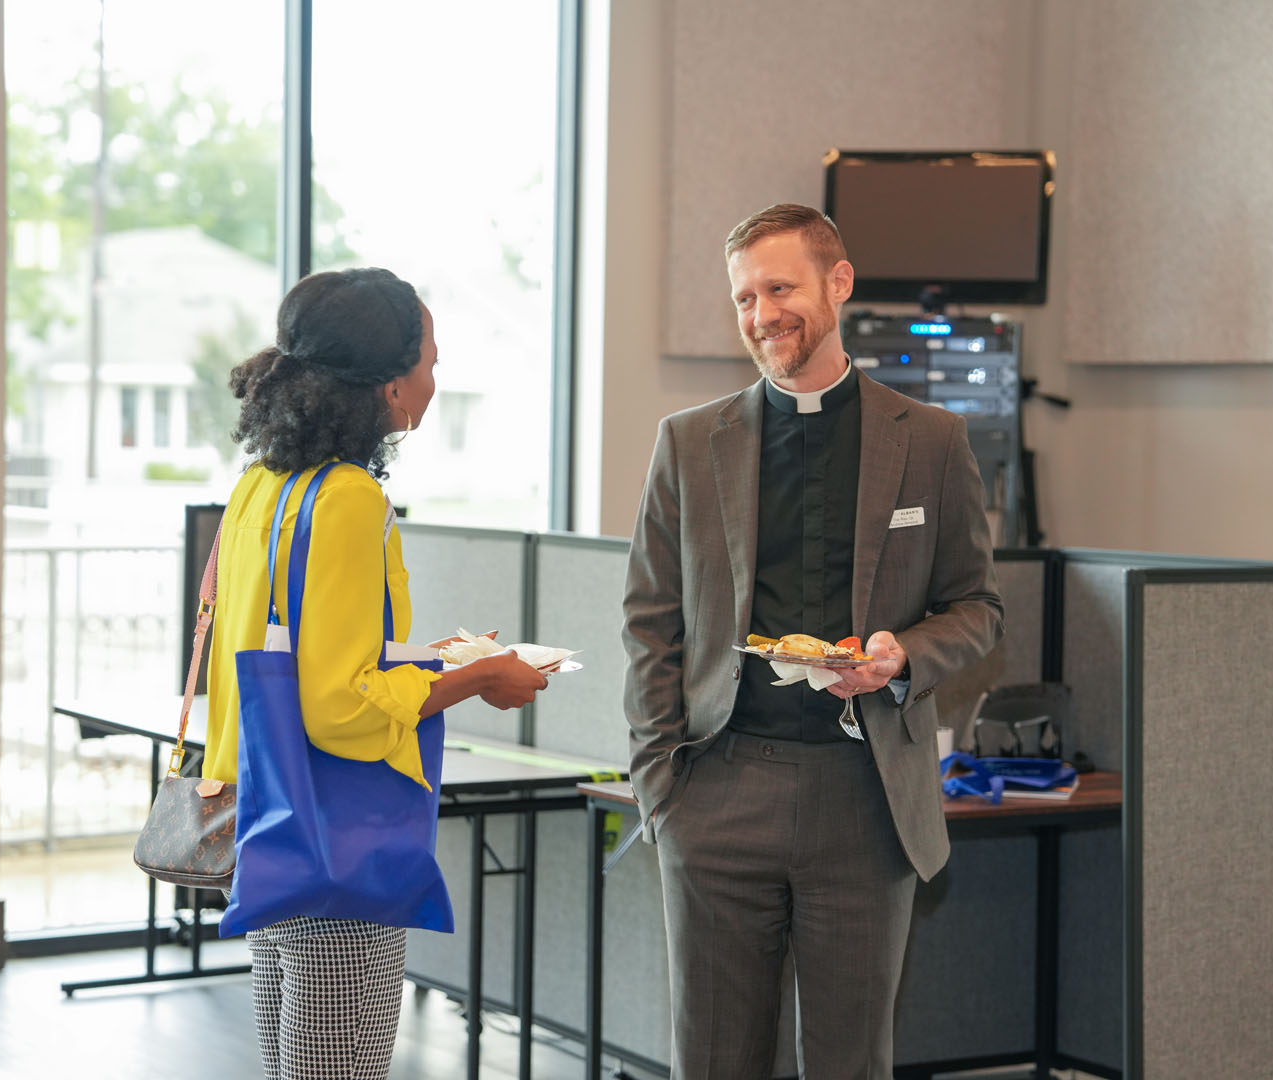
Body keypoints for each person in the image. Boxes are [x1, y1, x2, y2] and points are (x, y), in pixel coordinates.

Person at [622, 204, 1003, 1078]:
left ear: (839, 283)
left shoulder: (933, 441)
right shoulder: (687, 443)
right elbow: (651, 618)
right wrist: (660, 785)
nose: (762, 315)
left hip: (864, 798)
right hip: (717, 789)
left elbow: (978, 607)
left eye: (780, 288)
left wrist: (903, 654)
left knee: (850, 1063)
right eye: (745, 297)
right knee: (713, 1061)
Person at [202, 267, 548, 1080]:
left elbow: (288, 666)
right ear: (391, 385)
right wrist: (480, 678)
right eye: (430, 358)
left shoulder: (260, 487)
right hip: (340, 843)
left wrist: (440, 660)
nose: (435, 376)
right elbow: (341, 708)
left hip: (269, 822)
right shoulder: (349, 499)